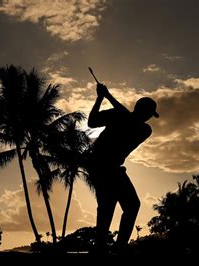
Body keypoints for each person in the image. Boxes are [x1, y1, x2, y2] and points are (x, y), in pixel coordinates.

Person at [87, 83, 159, 251]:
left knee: (118, 205)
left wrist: (108, 96)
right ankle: (113, 247)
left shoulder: (144, 129)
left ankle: (109, 246)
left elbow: (129, 120)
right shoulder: (118, 114)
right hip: (101, 165)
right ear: (144, 112)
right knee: (118, 205)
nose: (149, 118)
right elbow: (91, 122)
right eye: (148, 113)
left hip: (109, 168)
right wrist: (100, 98)